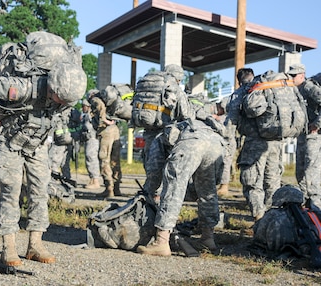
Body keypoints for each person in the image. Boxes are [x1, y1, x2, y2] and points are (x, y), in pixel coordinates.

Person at [0, 62, 87, 266]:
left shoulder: (65, 96)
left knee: (40, 191)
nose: (65, 103)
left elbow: (58, 118)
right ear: (52, 87)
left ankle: (35, 245)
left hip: (37, 145)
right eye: (62, 98)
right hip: (10, 142)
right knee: (11, 192)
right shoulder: (24, 87)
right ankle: (8, 247)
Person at [137, 118, 225, 256]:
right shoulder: (193, 124)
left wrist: (149, 192)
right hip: (216, 143)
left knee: (173, 189)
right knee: (207, 192)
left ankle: (161, 242)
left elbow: (154, 172)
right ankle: (208, 239)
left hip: (190, 144)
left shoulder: (159, 138)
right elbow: (217, 180)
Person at [226, 68, 284, 221]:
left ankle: (259, 218)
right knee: (272, 180)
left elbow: (231, 122)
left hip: (254, 142)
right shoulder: (267, 88)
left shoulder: (240, 93)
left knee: (252, 181)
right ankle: (275, 218)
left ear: (239, 80)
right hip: (275, 141)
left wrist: (228, 143)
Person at [291, 64, 321, 209]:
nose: (291, 78)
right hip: (302, 135)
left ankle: (316, 205)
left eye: (294, 75)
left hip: (313, 136)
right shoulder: (296, 90)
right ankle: (305, 203)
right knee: (300, 171)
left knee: (311, 171)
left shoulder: (309, 87)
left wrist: (317, 124)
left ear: (302, 75)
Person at [90, 94, 122, 198]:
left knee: (104, 158)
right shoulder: (110, 101)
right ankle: (116, 187)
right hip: (115, 129)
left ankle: (109, 188)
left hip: (106, 131)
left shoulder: (95, 99)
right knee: (115, 160)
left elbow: (100, 107)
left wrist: (104, 120)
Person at [81, 96, 101, 189]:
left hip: (93, 139)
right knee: (89, 159)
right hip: (88, 139)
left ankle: (95, 181)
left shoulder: (91, 115)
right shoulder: (85, 115)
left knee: (92, 159)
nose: (82, 108)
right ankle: (92, 179)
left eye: (84, 106)